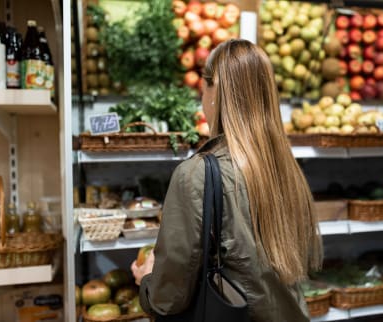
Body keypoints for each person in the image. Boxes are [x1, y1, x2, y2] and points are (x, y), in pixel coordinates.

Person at [131, 38, 323, 322]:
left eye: (203, 88)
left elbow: (168, 298)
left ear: (214, 92)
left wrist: (147, 280)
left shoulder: (197, 174)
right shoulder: (285, 167)